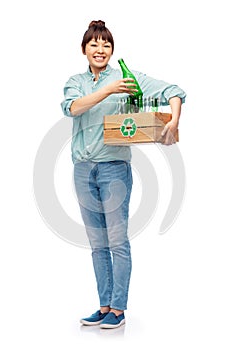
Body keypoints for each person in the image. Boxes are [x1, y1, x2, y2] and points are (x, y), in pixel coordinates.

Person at [61, 20, 186, 329]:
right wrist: (107, 91)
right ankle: (103, 305)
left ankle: (118, 310)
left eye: (105, 44)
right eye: (94, 44)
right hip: (82, 170)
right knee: (97, 244)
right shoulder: (76, 81)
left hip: (114, 170)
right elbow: (72, 108)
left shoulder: (127, 79)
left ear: (112, 49)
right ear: (84, 50)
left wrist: (173, 122)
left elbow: (175, 91)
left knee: (117, 242)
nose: (100, 49)